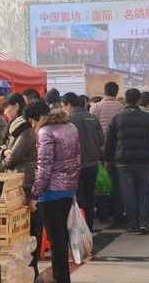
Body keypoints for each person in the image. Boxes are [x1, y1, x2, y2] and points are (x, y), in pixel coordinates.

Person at [27, 101, 81, 283]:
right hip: (68, 189)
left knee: (56, 239)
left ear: (37, 118)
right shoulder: (70, 127)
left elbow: (44, 167)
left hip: (50, 192)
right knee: (61, 236)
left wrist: (35, 194)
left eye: (32, 122)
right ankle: (63, 277)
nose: (33, 126)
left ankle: (61, 278)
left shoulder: (45, 132)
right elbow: (77, 158)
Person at [105, 88, 149, 235]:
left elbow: (109, 142)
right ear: (139, 100)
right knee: (143, 191)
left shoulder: (117, 118)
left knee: (128, 193)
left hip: (123, 161)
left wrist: (107, 159)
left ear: (125, 100)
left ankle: (134, 224)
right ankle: (144, 223)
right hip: (144, 161)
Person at [0, 93, 41, 279]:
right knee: (20, 227)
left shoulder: (24, 129)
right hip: (16, 181)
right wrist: (4, 153)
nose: (5, 112)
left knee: (28, 228)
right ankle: (24, 270)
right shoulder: (14, 128)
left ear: (16, 106)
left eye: (7, 108)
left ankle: (32, 268)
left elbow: (12, 158)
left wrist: (5, 155)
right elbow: (2, 151)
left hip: (25, 182)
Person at [62, 92, 104, 231]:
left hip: (75, 165)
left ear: (68, 105)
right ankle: (89, 227)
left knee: (78, 198)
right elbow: (101, 140)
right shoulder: (93, 118)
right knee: (90, 196)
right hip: (93, 163)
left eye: (63, 105)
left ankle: (80, 228)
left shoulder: (67, 120)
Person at [89, 81, 125, 222]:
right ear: (116, 92)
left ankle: (102, 213)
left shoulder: (95, 107)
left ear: (104, 92)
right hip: (118, 150)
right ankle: (117, 212)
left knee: (102, 182)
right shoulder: (121, 108)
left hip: (100, 150)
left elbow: (92, 130)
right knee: (117, 182)